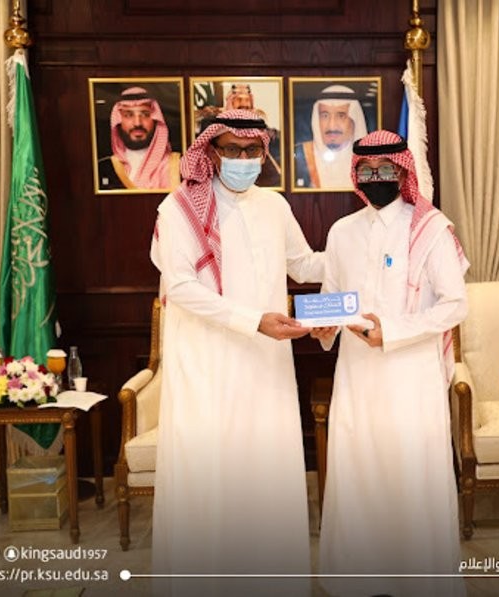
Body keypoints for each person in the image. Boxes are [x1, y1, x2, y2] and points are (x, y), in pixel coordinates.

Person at [149, 109, 324, 596]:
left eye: (252, 150)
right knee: (212, 472)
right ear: (210, 151)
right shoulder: (178, 208)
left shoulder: (274, 205)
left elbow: (304, 264)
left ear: (263, 153)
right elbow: (179, 286)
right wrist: (253, 321)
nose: (243, 159)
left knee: (266, 467)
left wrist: (361, 249)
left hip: (265, 362)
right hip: (207, 363)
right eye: (232, 149)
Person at [311, 130, 469, 596]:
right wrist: (323, 328)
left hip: (411, 375)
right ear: (355, 175)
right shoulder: (342, 232)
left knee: (412, 475)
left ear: (402, 172)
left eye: (384, 169)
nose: (375, 177)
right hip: (357, 375)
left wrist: (394, 332)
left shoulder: (431, 229)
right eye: (365, 170)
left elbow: (455, 305)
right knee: (359, 473)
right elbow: (332, 297)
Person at [97, 86, 180, 191]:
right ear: (118, 121)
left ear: (156, 120)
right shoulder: (103, 168)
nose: (137, 123)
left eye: (145, 115)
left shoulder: (177, 165)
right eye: (128, 115)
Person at [293, 84, 368, 189]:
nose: (332, 126)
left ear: (354, 120)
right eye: (325, 115)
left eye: (341, 116)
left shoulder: (370, 161)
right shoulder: (299, 157)